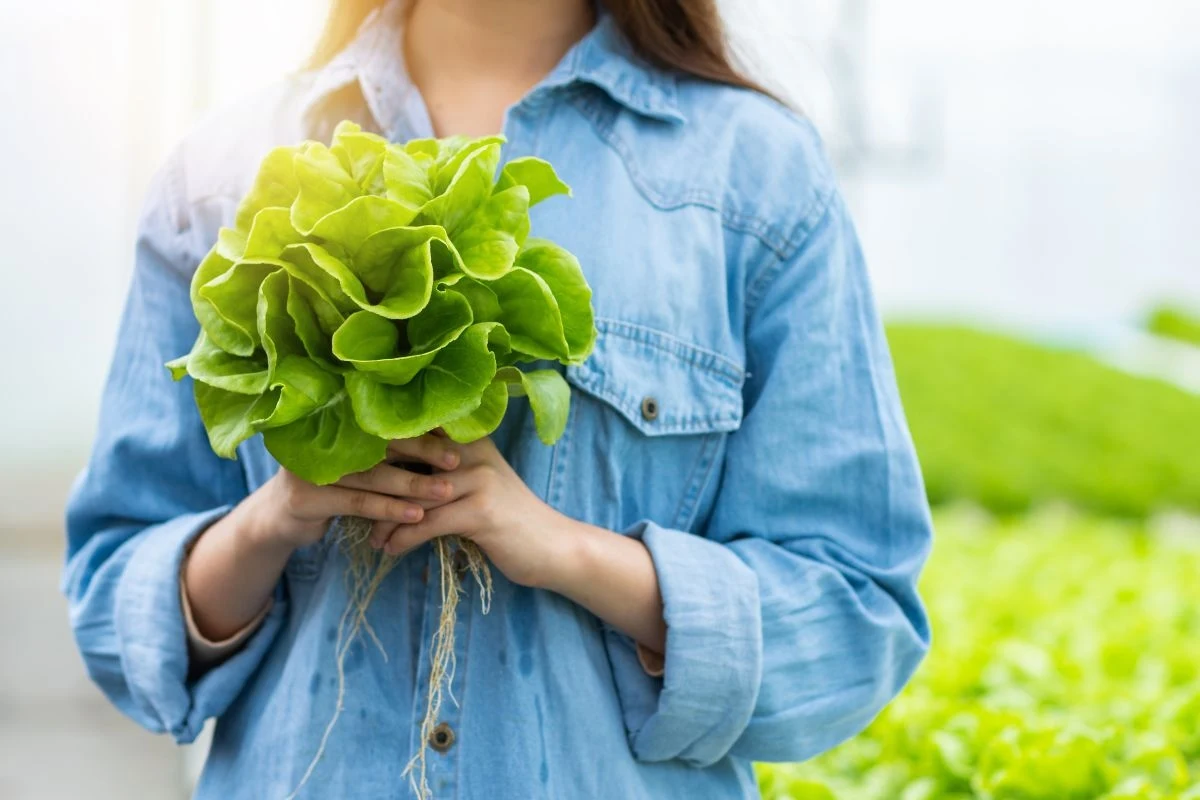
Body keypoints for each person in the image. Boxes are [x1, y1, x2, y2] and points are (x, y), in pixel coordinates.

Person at [62, 0, 934, 797]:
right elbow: (113, 599)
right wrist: (276, 515)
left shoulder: (755, 179)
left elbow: (855, 617)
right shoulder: (217, 177)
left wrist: (567, 552)